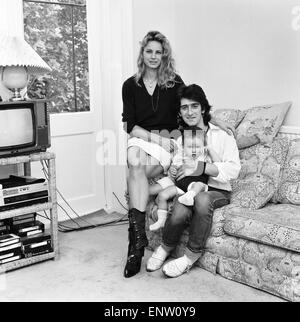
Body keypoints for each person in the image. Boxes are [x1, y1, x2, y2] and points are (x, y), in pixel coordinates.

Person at [122, 31, 235, 278]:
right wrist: (157, 138)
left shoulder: (173, 82)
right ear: (142, 53)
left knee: (135, 176)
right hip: (143, 138)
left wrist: (215, 119)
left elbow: (194, 103)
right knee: (134, 162)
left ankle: (135, 242)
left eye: (158, 52)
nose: (153, 56)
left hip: (166, 145)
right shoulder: (131, 85)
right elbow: (130, 125)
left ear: (165, 55)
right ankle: (136, 243)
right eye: (148, 51)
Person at [146, 84, 241, 278]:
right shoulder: (183, 139)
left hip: (217, 189)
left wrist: (202, 168)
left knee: (202, 199)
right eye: (184, 107)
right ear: (180, 111)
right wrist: (175, 169)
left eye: (194, 106)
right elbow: (179, 165)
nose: (190, 112)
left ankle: (190, 256)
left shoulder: (222, 135)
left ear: (203, 108)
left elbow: (233, 169)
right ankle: (165, 248)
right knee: (181, 205)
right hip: (189, 188)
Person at [148, 126, 222, 231]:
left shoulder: (204, 156)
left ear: (203, 147)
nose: (193, 150)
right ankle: (161, 220)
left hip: (196, 185)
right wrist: (172, 170)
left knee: (198, 186)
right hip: (180, 186)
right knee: (162, 195)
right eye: (189, 147)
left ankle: (190, 196)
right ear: (183, 147)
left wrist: (209, 149)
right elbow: (173, 168)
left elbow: (219, 164)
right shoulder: (181, 156)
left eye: (197, 147)